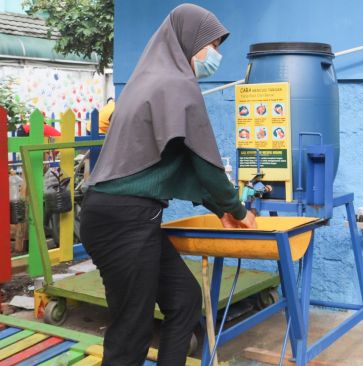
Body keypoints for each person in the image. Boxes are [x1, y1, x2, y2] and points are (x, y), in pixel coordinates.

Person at [79, 4, 256, 365]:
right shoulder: (178, 84)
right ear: (187, 40)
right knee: (131, 333)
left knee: (184, 300)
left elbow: (177, 160)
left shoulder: (145, 82)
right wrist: (237, 210)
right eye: (211, 45)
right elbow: (206, 166)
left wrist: (220, 209)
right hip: (126, 220)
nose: (215, 55)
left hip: (117, 215)